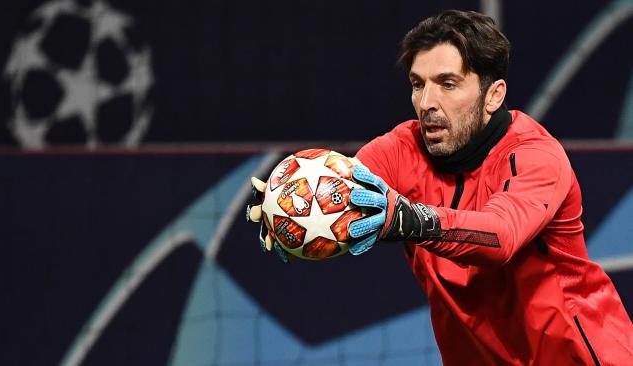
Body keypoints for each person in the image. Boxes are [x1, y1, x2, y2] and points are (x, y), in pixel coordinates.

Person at [247, 9, 633, 365]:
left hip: (581, 356)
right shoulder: (402, 148)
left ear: (493, 95)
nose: (426, 102)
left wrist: (413, 222)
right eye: (418, 84)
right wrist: (286, 207)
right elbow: (339, 187)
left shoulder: (536, 156)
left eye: (448, 84)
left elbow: (500, 237)